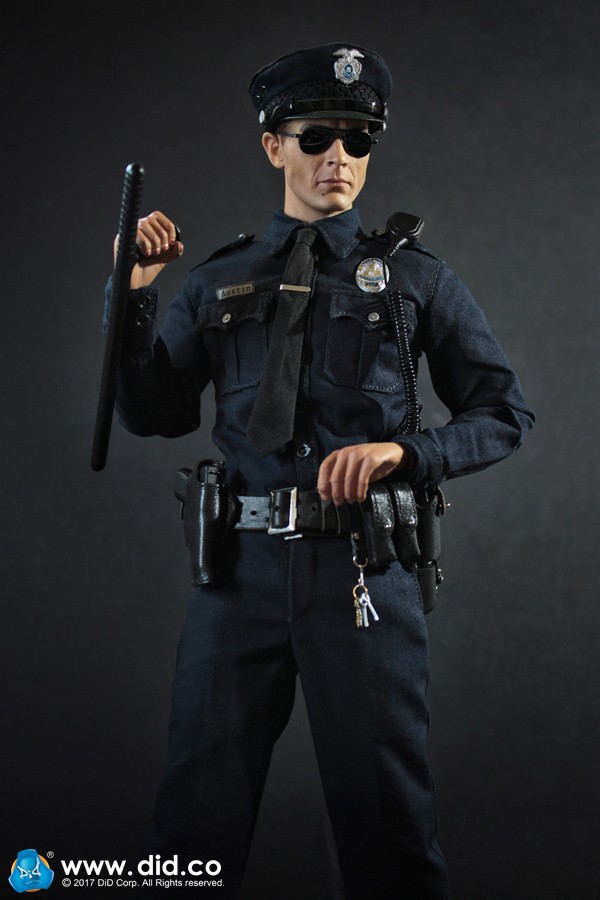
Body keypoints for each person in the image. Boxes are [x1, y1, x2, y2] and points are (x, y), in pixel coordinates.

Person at [107, 43, 534, 899]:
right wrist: (135, 295)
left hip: (363, 574)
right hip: (238, 577)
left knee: (388, 828)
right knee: (191, 824)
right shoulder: (220, 281)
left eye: (357, 139)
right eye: (315, 137)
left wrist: (407, 453)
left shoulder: (413, 279)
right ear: (274, 146)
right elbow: (154, 413)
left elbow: (504, 414)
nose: (338, 156)